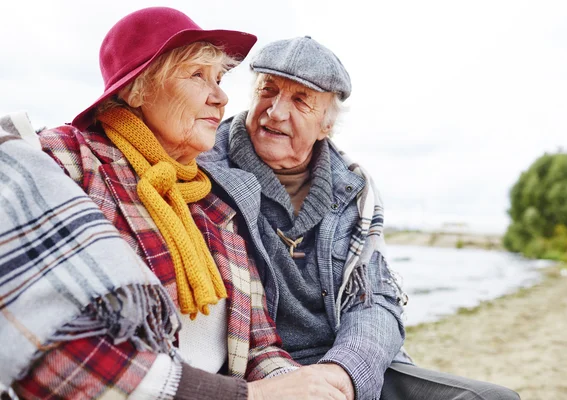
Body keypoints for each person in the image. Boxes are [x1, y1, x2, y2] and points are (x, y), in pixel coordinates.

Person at [5, 9, 353, 399]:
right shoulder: (66, 159)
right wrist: (253, 397)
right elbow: (48, 345)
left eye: (219, 79)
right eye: (197, 75)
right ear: (137, 89)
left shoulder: (215, 202)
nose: (221, 97)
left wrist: (305, 386)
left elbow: (260, 345)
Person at [199, 37, 521, 399]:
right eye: (267, 91)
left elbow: (377, 300)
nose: (275, 112)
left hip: (347, 365)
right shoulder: (204, 168)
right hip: (258, 373)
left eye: (300, 100)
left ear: (327, 125)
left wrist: (344, 372)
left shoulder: (355, 188)